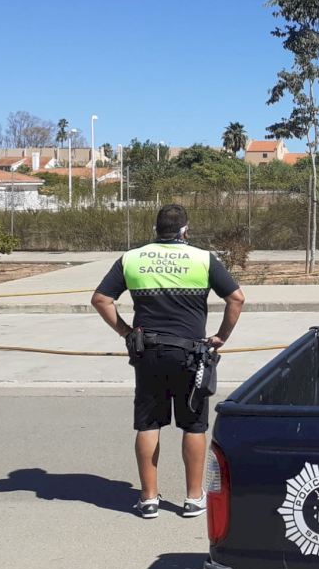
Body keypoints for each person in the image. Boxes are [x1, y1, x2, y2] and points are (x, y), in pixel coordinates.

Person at [90, 203, 245, 519]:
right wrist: (221, 336)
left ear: (155, 230)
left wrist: (126, 332)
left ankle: (148, 499)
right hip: (190, 354)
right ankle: (193, 498)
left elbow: (101, 299)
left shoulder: (132, 258)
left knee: (149, 423)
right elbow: (236, 298)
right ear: (185, 231)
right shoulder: (202, 259)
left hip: (148, 353)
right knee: (193, 425)